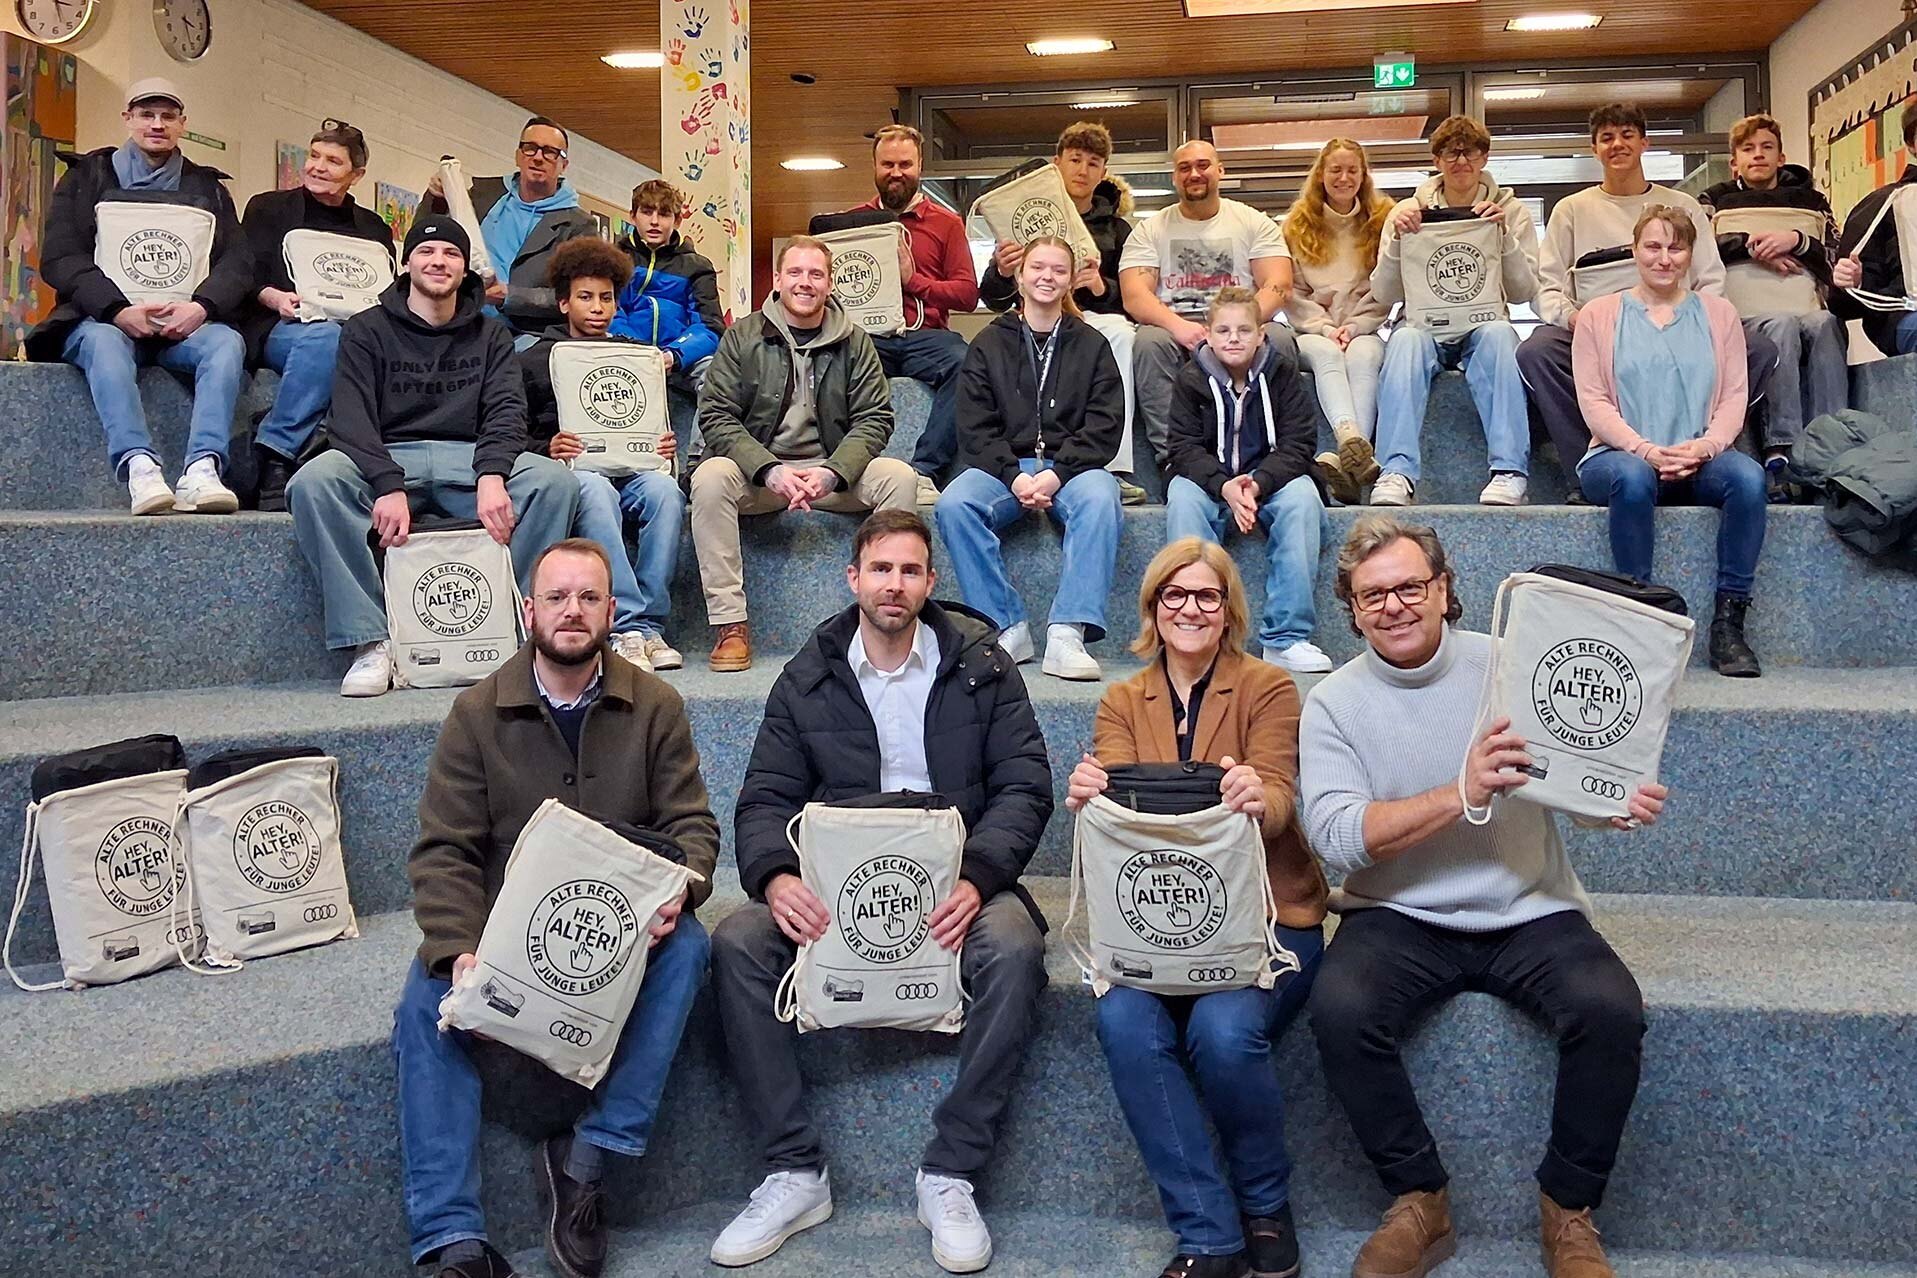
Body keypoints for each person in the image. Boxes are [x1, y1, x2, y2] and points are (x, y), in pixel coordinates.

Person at [1300, 516, 1668, 1278]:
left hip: (1525, 903)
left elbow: (1564, 777)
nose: (1393, 606)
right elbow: (1336, 838)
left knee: (1610, 1010)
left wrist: (1609, 802)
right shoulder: (1331, 703)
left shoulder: (1511, 665)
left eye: (1409, 586)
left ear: (1443, 589)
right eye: (1372, 595)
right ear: (1351, 610)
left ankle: (1567, 1209)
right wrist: (1459, 791)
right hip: (1398, 911)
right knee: (1338, 1008)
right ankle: (1418, 1198)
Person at [709, 509, 1051, 1274]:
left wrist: (978, 878)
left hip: (956, 879)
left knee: (1014, 948)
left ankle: (951, 1172)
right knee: (735, 942)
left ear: (929, 582)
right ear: (853, 578)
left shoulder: (983, 666)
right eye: (879, 569)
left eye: (908, 571)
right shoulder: (807, 676)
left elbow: (1025, 787)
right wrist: (777, 876)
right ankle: (793, 1171)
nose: (893, 585)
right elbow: (764, 798)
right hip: (838, 887)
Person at [394, 537, 719, 1278]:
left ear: (611, 610)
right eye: (556, 597)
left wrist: (679, 889)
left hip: (618, 927)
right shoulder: (475, 713)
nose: (572, 611)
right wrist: (459, 950)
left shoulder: (656, 705)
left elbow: (692, 828)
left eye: (588, 598)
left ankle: (587, 1161)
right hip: (505, 931)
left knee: (693, 947)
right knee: (422, 1001)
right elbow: (444, 851)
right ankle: (452, 1238)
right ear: (527, 609)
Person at [1065, 536, 1330, 1278]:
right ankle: (1208, 1234)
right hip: (1154, 920)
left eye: (1206, 595)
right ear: (1153, 608)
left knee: (1223, 1032)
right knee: (1124, 1023)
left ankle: (1265, 1206)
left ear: (1228, 610)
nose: (1190, 608)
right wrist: (1090, 796)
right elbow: (1118, 815)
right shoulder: (1121, 699)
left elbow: (1280, 795)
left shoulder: (1269, 688)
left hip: (1268, 918)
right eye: (1174, 595)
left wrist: (1257, 796)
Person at [286, 215, 578, 697]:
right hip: (389, 454)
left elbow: (507, 412)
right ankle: (370, 640)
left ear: (465, 269)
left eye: (451, 254)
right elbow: (350, 418)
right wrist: (387, 483)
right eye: (426, 251)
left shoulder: (491, 335)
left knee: (554, 483)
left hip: (466, 457)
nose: (438, 261)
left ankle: (518, 629)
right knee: (314, 483)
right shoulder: (365, 329)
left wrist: (492, 474)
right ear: (406, 264)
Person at [1517, 102, 1775, 492]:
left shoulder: (1683, 206)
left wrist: (1696, 322)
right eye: (1607, 138)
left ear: (1645, 143)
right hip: (1594, 331)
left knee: (1758, 347)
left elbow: (1710, 279)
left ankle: (1701, 453)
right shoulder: (1571, 210)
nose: (1617, 144)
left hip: (1678, 323)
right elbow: (1545, 287)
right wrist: (1575, 319)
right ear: (1594, 149)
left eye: (1627, 135)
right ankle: (1590, 470)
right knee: (1535, 352)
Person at [690, 236, 916, 672]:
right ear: (777, 280)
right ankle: (730, 623)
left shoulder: (855, 342)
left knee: (899, 477)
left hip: (832, 476)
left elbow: (875, 418)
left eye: (816, 274)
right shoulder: (742, 337)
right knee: (711, 477)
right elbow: (715, 415)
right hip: (761, 477)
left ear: (829, 283)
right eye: (795, 272)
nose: (805, 282)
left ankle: (885, 618)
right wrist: (767, 469)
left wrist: (834, 471)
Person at [28, 78, 251, 516]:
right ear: (127, 119)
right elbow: (60, 256)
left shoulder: (209, 189)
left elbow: (238, 262)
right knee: (103, 343)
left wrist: (201, 307)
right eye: (146, 115)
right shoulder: (86, 178)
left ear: (182, 124)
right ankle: (139, 467)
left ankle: (203, 468)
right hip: (104, 321)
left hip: (184, 326)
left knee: (226, 343)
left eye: (168, 116)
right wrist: (117, 310)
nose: (157, 124)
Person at [1574, 206, 1767, 678]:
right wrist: (1646, 451)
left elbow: (1734, 396)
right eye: (1653, 247)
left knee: (1748, 478)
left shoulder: (1719, 314)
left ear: (1690, 254)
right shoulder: (1599, 315)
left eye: (1676, 248)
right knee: (1632, 477)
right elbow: (1594, 401)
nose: (1664, 258)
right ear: (1635, 250)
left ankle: (1729, 624)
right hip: (1618, 459)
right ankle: (1640, 617)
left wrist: (1705, 448)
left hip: (1699, 458)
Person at [936, 235, 1124, 681]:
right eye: (1037, 267)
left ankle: (1067, 633)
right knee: (954, 504)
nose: (1047, 277)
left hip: (1072, 469)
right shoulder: (989, 342)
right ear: (1019, 276)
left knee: (1102, 498)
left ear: (1071, 280)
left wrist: (1059, 473)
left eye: (1059, 270)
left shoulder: (1091, 344)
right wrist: (1012, 476)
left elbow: (1105, 423)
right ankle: (1005, 625)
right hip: (1005, 467)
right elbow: (974, 427)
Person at [517, 237, 687, 674]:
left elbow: (652, 420)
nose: (597, 308)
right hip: (576, 471)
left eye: (606, 298)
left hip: (633, 470)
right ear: (563, 303)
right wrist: (546, 447)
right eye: (585, 297)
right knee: (594, 490)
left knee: (665, 491)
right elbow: (512, 432)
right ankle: (625, 626)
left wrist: (664, 445)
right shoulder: (535, 360)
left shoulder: (635, 356)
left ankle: (650, 625)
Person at [1370, 115, 1540, 508]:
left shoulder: (1511, 211)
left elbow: (1524, 292)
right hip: (1424, 325)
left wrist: (1505, 238)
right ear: (1436, 159)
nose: (1461, 161)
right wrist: (1397, 243)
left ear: (1485, 157)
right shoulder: (1406, 211)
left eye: (1471, 152)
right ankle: (1395, 471)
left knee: (1501, 336)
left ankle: (1510, 471)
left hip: (1482, 326)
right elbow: (1382, 293)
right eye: (1451, 152)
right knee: (1404, 341)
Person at [1165, 287, 1334, 675]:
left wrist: (1257, 483)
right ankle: (1196, 634)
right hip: (1209, 482)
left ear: (1261, 335)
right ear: (1208, 335)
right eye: (1223, 331)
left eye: (1244, 330)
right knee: (1183, 500)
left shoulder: (1283, 374)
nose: (1234, 339)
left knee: (1303, 500)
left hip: (1272, 479)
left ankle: (1285, 638)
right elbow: (1183, 448)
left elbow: (1299, 444)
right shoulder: (1190, 379)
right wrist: (1224, 486)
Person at [978, 122, 1147, 505]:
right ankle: (1011, 460)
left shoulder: (1118, 230)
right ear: (1057, 163)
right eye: (1075, 159)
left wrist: (1100, 287)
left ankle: (1114, 468)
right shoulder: (1023, 217)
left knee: (1120, 334)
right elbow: (993, 298)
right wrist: (1002, 270)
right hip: (1033, 321)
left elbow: (1132, 300)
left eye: (1093, 163)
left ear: (1103, 172)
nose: (1082, 170)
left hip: (1093, 321)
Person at [1119, 139, 1300, 472]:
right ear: (1174, 177)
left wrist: (1238, 329)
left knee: (1279, 337)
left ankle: (1277, 451)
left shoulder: (1253, 222)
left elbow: (1279, 285)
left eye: (1203, 165)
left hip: (1240, 322)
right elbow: (1134, 295)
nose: (1194, 174)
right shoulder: (1149, 230)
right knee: (1147, 341)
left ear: (1220, 171)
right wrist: (1180, 327)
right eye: (1184, 168)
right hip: (1178, 329)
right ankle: (1174, 460)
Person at [239, 118, 392, 509]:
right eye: (314, 156)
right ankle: (277, 453)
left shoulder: (373, 227)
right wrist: (274, 297)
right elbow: (242, 273)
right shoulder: (268, 208)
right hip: (283, 324)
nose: (318, 167)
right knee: (328, 338)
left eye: (333, 161)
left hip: (358, 332)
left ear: (357, 175)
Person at [1701, 113, 1845, 499]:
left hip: (1805, 304)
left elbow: (1836, 256)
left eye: (1767, 147)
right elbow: (1696, 251)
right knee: (1781, 325)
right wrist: (1752, 246)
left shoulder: (1813, 203)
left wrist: (1797, 241)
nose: (1758, 155)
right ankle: (1782, 447)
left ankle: (1834, 442)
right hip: (1744, 314)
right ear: (1734, 162)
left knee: (1826, 323)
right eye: (1748, 149)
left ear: (1781, 157)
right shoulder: (1713, 201)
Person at [840, 124, 978, 505]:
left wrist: (912, 281)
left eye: (905, 164)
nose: (896, 173)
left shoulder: (947, 223)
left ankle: (925, 471)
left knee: (966, 363)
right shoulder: (850, 223)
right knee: (829, 361)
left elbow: (967, 295)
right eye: (887, 164)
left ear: (920, 167)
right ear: (874, 166)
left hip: (927, 337)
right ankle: (844, 468)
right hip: (869, 338)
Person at [1280, 138, 1391, 504]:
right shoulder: (1296, 224)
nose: (1344, 178)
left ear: (1364, 175)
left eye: (1352, 170)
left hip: (1364, 326)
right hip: (1312, 329)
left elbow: (1388, 286)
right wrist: (1326, 327)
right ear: (1321, 175)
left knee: (1364, 356)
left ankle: (1346, 462)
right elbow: (1292, 292)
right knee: (1327, 354)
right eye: (1336, 170)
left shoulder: (1383, 220)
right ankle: (1350, 439)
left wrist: (1355, 325)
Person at [424, 116, 594, 337]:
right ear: (518, 156)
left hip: (529, 336)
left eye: (550, 152)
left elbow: (579, 296)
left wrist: (511, 297)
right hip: (461, 320)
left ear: (564, 165)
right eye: (530, 148)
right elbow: (426, 237)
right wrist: (436, 198)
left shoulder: (579, 226)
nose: (538, 157)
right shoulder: (481, 197)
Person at [611, 177, 722, 427]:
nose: (654, 221)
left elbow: (710, 327)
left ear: (677, 220)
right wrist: (639, 351)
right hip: (626, 353)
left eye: (663, 214)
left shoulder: (698, 266)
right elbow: (611, 313)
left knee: (716, 376)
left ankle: (701, 451)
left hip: (680, 360)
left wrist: (674, 355)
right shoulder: (613, 259)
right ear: (633, 216)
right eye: (647, 212)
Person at [1831, 99, 1917, 356]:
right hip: (1904, 316)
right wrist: (1855, 281)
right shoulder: (1882, 204)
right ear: (1911, 145)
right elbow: (1843, 304)